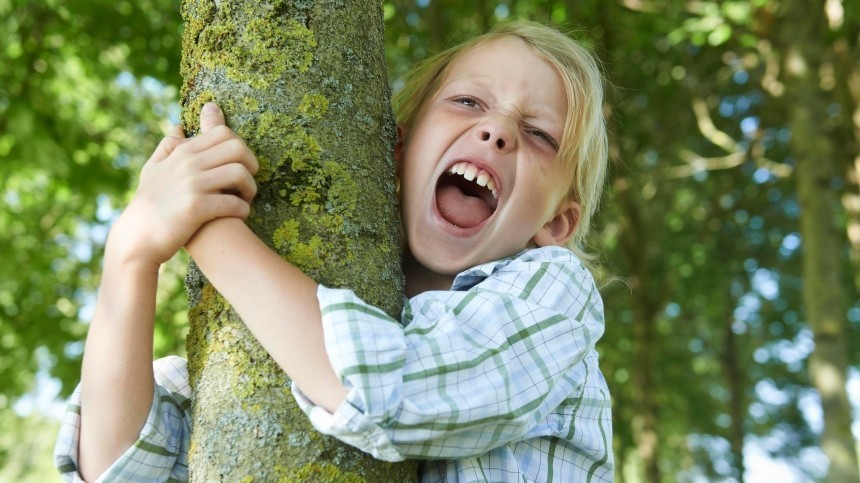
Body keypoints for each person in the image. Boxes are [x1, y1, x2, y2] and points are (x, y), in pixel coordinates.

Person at [54, 20, 614, 482]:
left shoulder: (554, 300)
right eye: (468, 102)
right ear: (395, 149)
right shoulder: (278, 331)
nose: (496, 132)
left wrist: (207, 226)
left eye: (540, 135)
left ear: (558, 224)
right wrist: (132, 252)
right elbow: (118, 467)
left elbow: (401, 389)